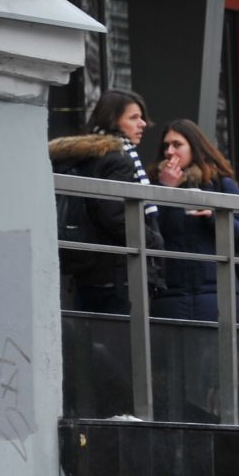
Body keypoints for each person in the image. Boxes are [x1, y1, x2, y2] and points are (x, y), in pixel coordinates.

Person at [50, 88, 164, 313]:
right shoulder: (118, 159)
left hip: (86, 275)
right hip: (118, 275)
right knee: (125, 345)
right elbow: (115, 215)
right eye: (134, 118)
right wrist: (153, 240)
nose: (143, 124)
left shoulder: (82, 157)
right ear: (113, 121)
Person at [144, 120, 239, 322]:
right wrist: (165, 190)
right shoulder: (153, 185)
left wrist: (213, 216)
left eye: (177, 145)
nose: (169, 151)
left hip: (218, 299)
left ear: (194, 148)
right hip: (169, 298)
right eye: (166, 146)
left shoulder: (220, 183)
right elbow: (145, 232)